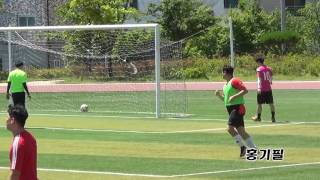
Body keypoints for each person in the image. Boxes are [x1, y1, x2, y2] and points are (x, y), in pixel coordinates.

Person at [215, 65, 257, 158]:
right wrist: (219, 95)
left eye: (223, 72)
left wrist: (234, 96)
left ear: (226, 73)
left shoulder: (234, 81)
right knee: (241, 131)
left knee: (230, 128)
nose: (222, 74)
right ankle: (254, 150)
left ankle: (243, 147)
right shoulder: (225, 85)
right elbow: (226, 100)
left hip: (237, 108)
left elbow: (245, 90)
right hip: (231, 109)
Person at [6, 105, 38, 180]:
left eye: (7, 117)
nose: (6, 120)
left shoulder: (18, 142)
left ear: (12, 120)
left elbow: (15, 174)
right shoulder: (30, 137)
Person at [251, 56, 276, 123]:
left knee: (259, 104)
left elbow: (259, 79)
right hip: (268, 89)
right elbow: (271, 78)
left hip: (262, 89)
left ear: (259, 62)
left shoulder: (259, 69)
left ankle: (258, 117)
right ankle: (273, 117)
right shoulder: (269, 68)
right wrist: (270, 81)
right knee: (271, 103)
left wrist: (259, 88)